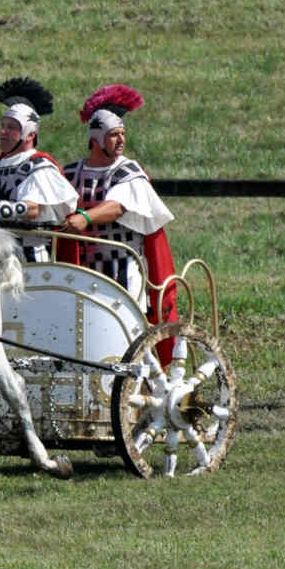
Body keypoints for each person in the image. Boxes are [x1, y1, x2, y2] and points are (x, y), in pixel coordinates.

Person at [59, 84, 179, 363]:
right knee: (85, 331)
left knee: (129, 330)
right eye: (113, 135)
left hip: (123, 268)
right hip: (84, 269)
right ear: (96, 139)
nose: (121, 140)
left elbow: (117, 206)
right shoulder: (70, 173)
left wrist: (86, 217)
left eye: (123, 134)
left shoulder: (127, 171)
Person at [0, 77, 78, 261]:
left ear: (29, 135)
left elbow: (32, 209)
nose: (3, 132)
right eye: (2, 126)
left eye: (12, 128)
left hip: (31, 260)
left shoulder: (40, 167)